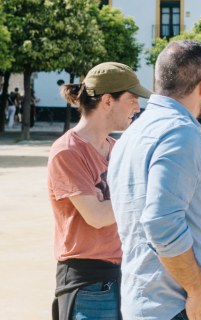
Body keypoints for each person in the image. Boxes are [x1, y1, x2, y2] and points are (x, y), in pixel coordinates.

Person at [108, 40, 201, 320]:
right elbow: (161, 224)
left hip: (144, 298)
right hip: (177, 305)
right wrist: (198, 290)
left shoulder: (133, 133)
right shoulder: (180, 133)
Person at [47, 62, 152, 320]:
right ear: (108, 100)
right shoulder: (68, 151)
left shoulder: (118, 148)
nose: (137, 107)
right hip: (88, 283)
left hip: (124, 275)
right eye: (132, 99)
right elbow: (97, 216)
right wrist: (147, 192)